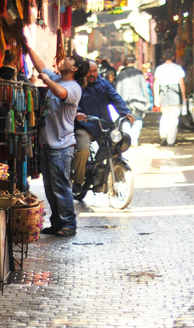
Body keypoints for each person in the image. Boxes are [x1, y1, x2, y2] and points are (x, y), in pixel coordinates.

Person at [26, 47, 89, 237]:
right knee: (50, 187)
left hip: (61, 146)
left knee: (61, 186)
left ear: (75, 68)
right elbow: (41, 66)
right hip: (49, 143)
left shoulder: (73, 87)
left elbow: (61, 93)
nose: (64, 60)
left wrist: (46, 81)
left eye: (69, 59)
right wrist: (28, 47)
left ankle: (69, 224)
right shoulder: (57, 79)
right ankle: (56, 223)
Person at [72, 60, 134, 194]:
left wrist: (126, 113)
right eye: (89, 71)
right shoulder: (78, 85)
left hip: (103, 125)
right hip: (84, 126)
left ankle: (106, 176)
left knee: (115, 147)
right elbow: (73, 103)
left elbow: (116, 98)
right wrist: (78, 113)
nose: (92, 74)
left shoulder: (104, 84)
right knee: (83, 149)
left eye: (95, 71)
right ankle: (78, 181)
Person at [114, 55, 150, 147]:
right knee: (137, 119)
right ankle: (134, 139)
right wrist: (147, 101)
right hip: (138, 101)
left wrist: (117, 102)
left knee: (125, 120)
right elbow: (144, 88)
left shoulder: (121, 74)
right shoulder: (139, 73)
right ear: (135, 62)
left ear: (126, 62)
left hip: (124, 101)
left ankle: (129, 139)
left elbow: (118, 89)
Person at [153, 48, 186, 147]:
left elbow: (156, 83)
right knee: (174, 119)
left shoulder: (160, 69)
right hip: (175, 94)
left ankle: (164, 137)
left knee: (164, 117)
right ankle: (171, 140)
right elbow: (181, 83)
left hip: (164, 94)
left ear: (164, 57)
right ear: (173, 57)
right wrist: (184, 96)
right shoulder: (178, 68)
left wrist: (156, 97)